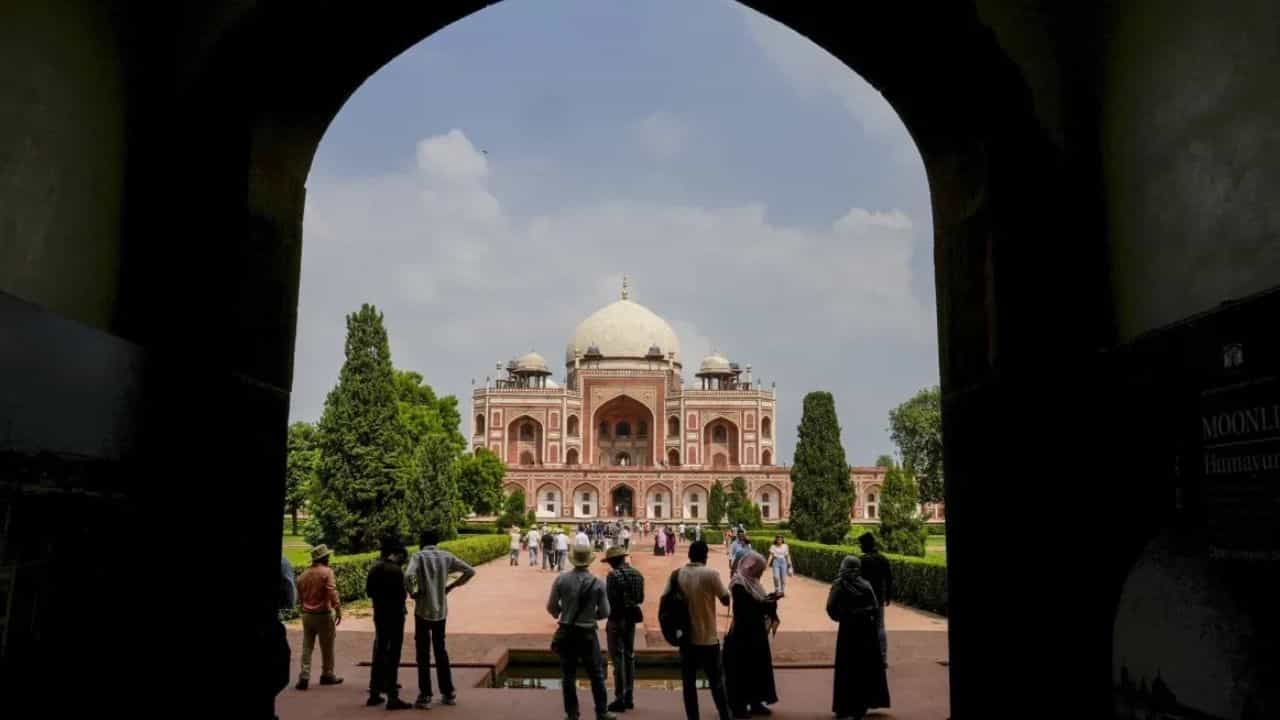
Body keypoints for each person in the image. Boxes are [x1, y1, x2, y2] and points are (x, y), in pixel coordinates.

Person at [406, 529, 477, 708]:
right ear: (436, 542)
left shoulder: (418, 557)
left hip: (422, 610)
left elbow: (408, 575)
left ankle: (425, 695)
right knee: (441, 651)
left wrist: (414, 592)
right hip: (441, 611)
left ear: (422, 542)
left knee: (423, 653)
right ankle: (448, 692)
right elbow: (470, 571)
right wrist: (451, 586)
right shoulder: (446, 556)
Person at [665, 540, 732, 720]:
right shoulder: (711, 574)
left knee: (688, 684)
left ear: (689, 555)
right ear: (705, 556)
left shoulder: (677, 575)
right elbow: (725, 599)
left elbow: (666, 600)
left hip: (686, 638)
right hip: (707, 637)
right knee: (717, 682)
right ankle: (725, 715)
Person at [547, 544, 616, 720]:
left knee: (568, 676)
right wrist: (591, 615)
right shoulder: (598, 583)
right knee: (596, 675)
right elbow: (606, 612)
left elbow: (551, 607)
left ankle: (572, 714)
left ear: (573, 559)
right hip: (587, 633)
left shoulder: (561, 580)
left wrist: (562, 612)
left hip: (567, 632)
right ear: (588, 561)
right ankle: (602, 712)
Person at [826, 556, 891, 720]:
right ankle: (860, 707)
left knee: (846, 666)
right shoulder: (865, 584)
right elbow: (875, 607)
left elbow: (830, 607)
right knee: (863, 667)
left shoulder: (840, 584)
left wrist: (843, 617)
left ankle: (843, 707)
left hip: (848, 629)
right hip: (865, 630)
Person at [722, 551, 780, 718]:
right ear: (751, 567)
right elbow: (747, 607)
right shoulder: (738, 583)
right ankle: (739, 706)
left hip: (756, 632)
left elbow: (758, 602)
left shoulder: (753, 583)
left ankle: (756, 702)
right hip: (743, 633)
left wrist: (769, 599)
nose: (760, 574)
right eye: (759, 570)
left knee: (757, 668)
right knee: (743, 669)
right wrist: (767, 604)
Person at [365, 538, 411, 710]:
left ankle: (374, 693)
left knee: (379, 652)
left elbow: (369, 592)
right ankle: (393, 696)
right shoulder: (396, 571)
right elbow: (402, 595)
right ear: (396, 554)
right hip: (395, 616)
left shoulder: (374, 568)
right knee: (393, 655)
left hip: (379, 614)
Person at [602, 545, 644, 712]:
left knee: (617, 658)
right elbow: (640, 599)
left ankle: (619, 698)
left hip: (616, 618)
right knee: (629, 656)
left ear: (613, 561)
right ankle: (629, 697)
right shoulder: (637, 574)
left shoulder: (612, 575)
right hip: (631, 619)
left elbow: (609, 599)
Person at [295, 545, 343, 690]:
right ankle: (327, 674)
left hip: (307, 615)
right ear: (324, 558)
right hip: (323, 614)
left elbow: (300, 597)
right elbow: (331, 591)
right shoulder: (327, 572)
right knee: (327, 646)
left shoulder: (303, 575)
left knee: (307, 646)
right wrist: (338, 609)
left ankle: (304, 675)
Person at [857, 533, 893, 666]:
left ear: (866, 545)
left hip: (865, 600)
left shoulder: (862, 561)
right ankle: (882, 658)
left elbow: (858, 581)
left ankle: (866, 657)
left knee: (864, 628)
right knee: (880, 627)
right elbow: (889, 579)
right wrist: (888, 596)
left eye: (861, 544)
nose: (860, 547)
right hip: (879, 598)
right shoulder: (883, 559)